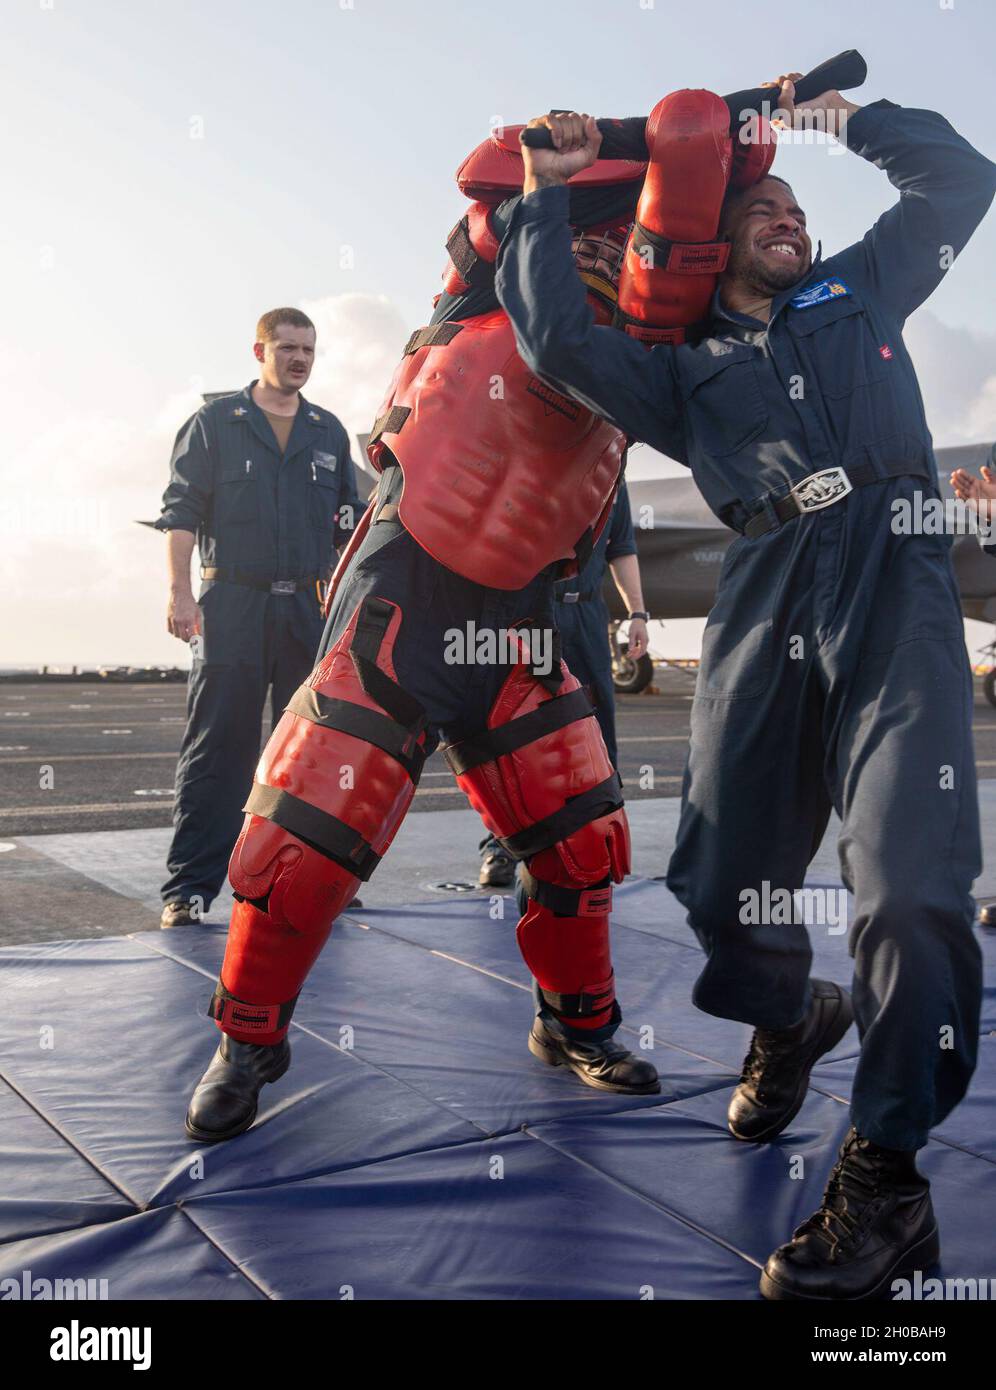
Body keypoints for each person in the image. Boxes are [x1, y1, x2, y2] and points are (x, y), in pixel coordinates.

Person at [494, 76, 996, 1300]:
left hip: (894, 579)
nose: (787, 214)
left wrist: (831, 123)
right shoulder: (680, 369)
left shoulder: (863, 286)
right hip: (766, 588)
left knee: (914, 882)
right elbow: (558, 336)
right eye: (762, 206)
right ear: (716, 251)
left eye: (792, 205)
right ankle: (788, 1010)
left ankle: (884, 1173)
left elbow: (962, 180)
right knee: (718, 876)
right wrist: (540, 202)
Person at [182, 116, 709, 1146]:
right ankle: (248, 1039)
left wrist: (719, 147)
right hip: (405, 601)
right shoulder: (489, 279)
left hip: (522, 620)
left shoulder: (648, 358)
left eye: (624, 241)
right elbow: (490, 164)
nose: (602, 253)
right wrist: (653, 133)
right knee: (304, 836)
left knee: (582, 839)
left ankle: (576, 1023)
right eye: (586, 234)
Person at [156, 308, 362, 928]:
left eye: (309, 349)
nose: (300, 358)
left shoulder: (329, 432)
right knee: (218, 748)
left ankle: (313, 884)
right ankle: (189, 888)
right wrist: (179, 593)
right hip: (231, 605)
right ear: (259, 351)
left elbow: (349, 529)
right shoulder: (215, 424)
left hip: (307, 607)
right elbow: (181, 515)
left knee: (310, 754)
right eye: (288, 348)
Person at [478, 481, 649, 888]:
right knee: (514, 732)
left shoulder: (611, 476)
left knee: (597, 734)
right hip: (531, 613)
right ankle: (500, 849)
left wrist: (638, 612)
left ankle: (595, 845)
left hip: (588, 617)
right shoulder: (532, 457)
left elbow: (621, 547)